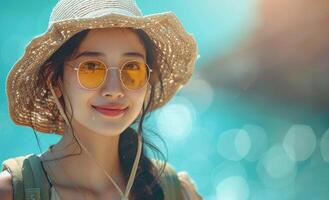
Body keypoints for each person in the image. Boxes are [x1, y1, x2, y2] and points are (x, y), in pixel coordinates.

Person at [0, 0, 201, 199]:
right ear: (54, 80)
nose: (114, 90)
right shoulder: (13, 192)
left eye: (132, 67)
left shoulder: (172, 190)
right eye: (92, 67)